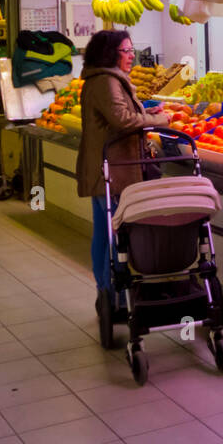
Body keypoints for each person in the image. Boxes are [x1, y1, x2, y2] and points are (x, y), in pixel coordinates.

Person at [75, 29, 169, 320]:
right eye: (126, 51)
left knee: (104, 234)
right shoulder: (106, 81)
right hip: (114, 172)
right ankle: (111, 300)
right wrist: (160, 119)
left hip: (106, 170)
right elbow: (122, 119)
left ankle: (105, 295)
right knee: (114, 237)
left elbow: (117, 113)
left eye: (131, 50)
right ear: (110, 54)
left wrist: (148, 109)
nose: (132, 56)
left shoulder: (100, 79)